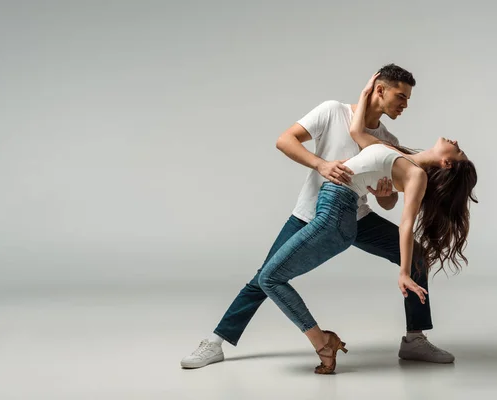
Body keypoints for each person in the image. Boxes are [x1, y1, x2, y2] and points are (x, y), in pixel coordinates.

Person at [181, 64, 458, 370]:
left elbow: (391, 202)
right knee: (266, 276)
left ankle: (414, 340)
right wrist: (321, 165)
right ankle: (215, 342)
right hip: (310, 211)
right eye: (401, 96)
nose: (405, 104)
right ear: (380, 90)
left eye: (407, 99)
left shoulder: (386, 137)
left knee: (416, 256)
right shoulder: (332, 112)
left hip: (356, 215)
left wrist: (384, 194)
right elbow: (285, 140)